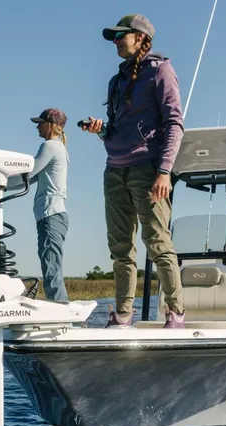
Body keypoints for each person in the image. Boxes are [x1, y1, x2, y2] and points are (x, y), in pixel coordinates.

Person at [81, 14, 185, 328]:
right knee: (120, 249)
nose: (114, 41)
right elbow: (114, 130)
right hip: (114, 171)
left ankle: (176, 312)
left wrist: (164, 171)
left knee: (157, 243)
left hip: (147, 170)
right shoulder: (117, 80)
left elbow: (175, 124)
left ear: (139, 37)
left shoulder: (161, 71)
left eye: (119, 35)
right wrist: (99, 131)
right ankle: (123, 314)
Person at [0, 108, 70, 302]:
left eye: (40, 123)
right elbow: (27, 180)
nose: (37, 127)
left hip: (52, 214)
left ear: (51, 125)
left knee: (51, 267)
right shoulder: (57, 148)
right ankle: (61, 310)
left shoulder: (50, 146)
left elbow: (28, 173)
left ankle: (63, 314)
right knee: (50, 265)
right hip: (49, 215)